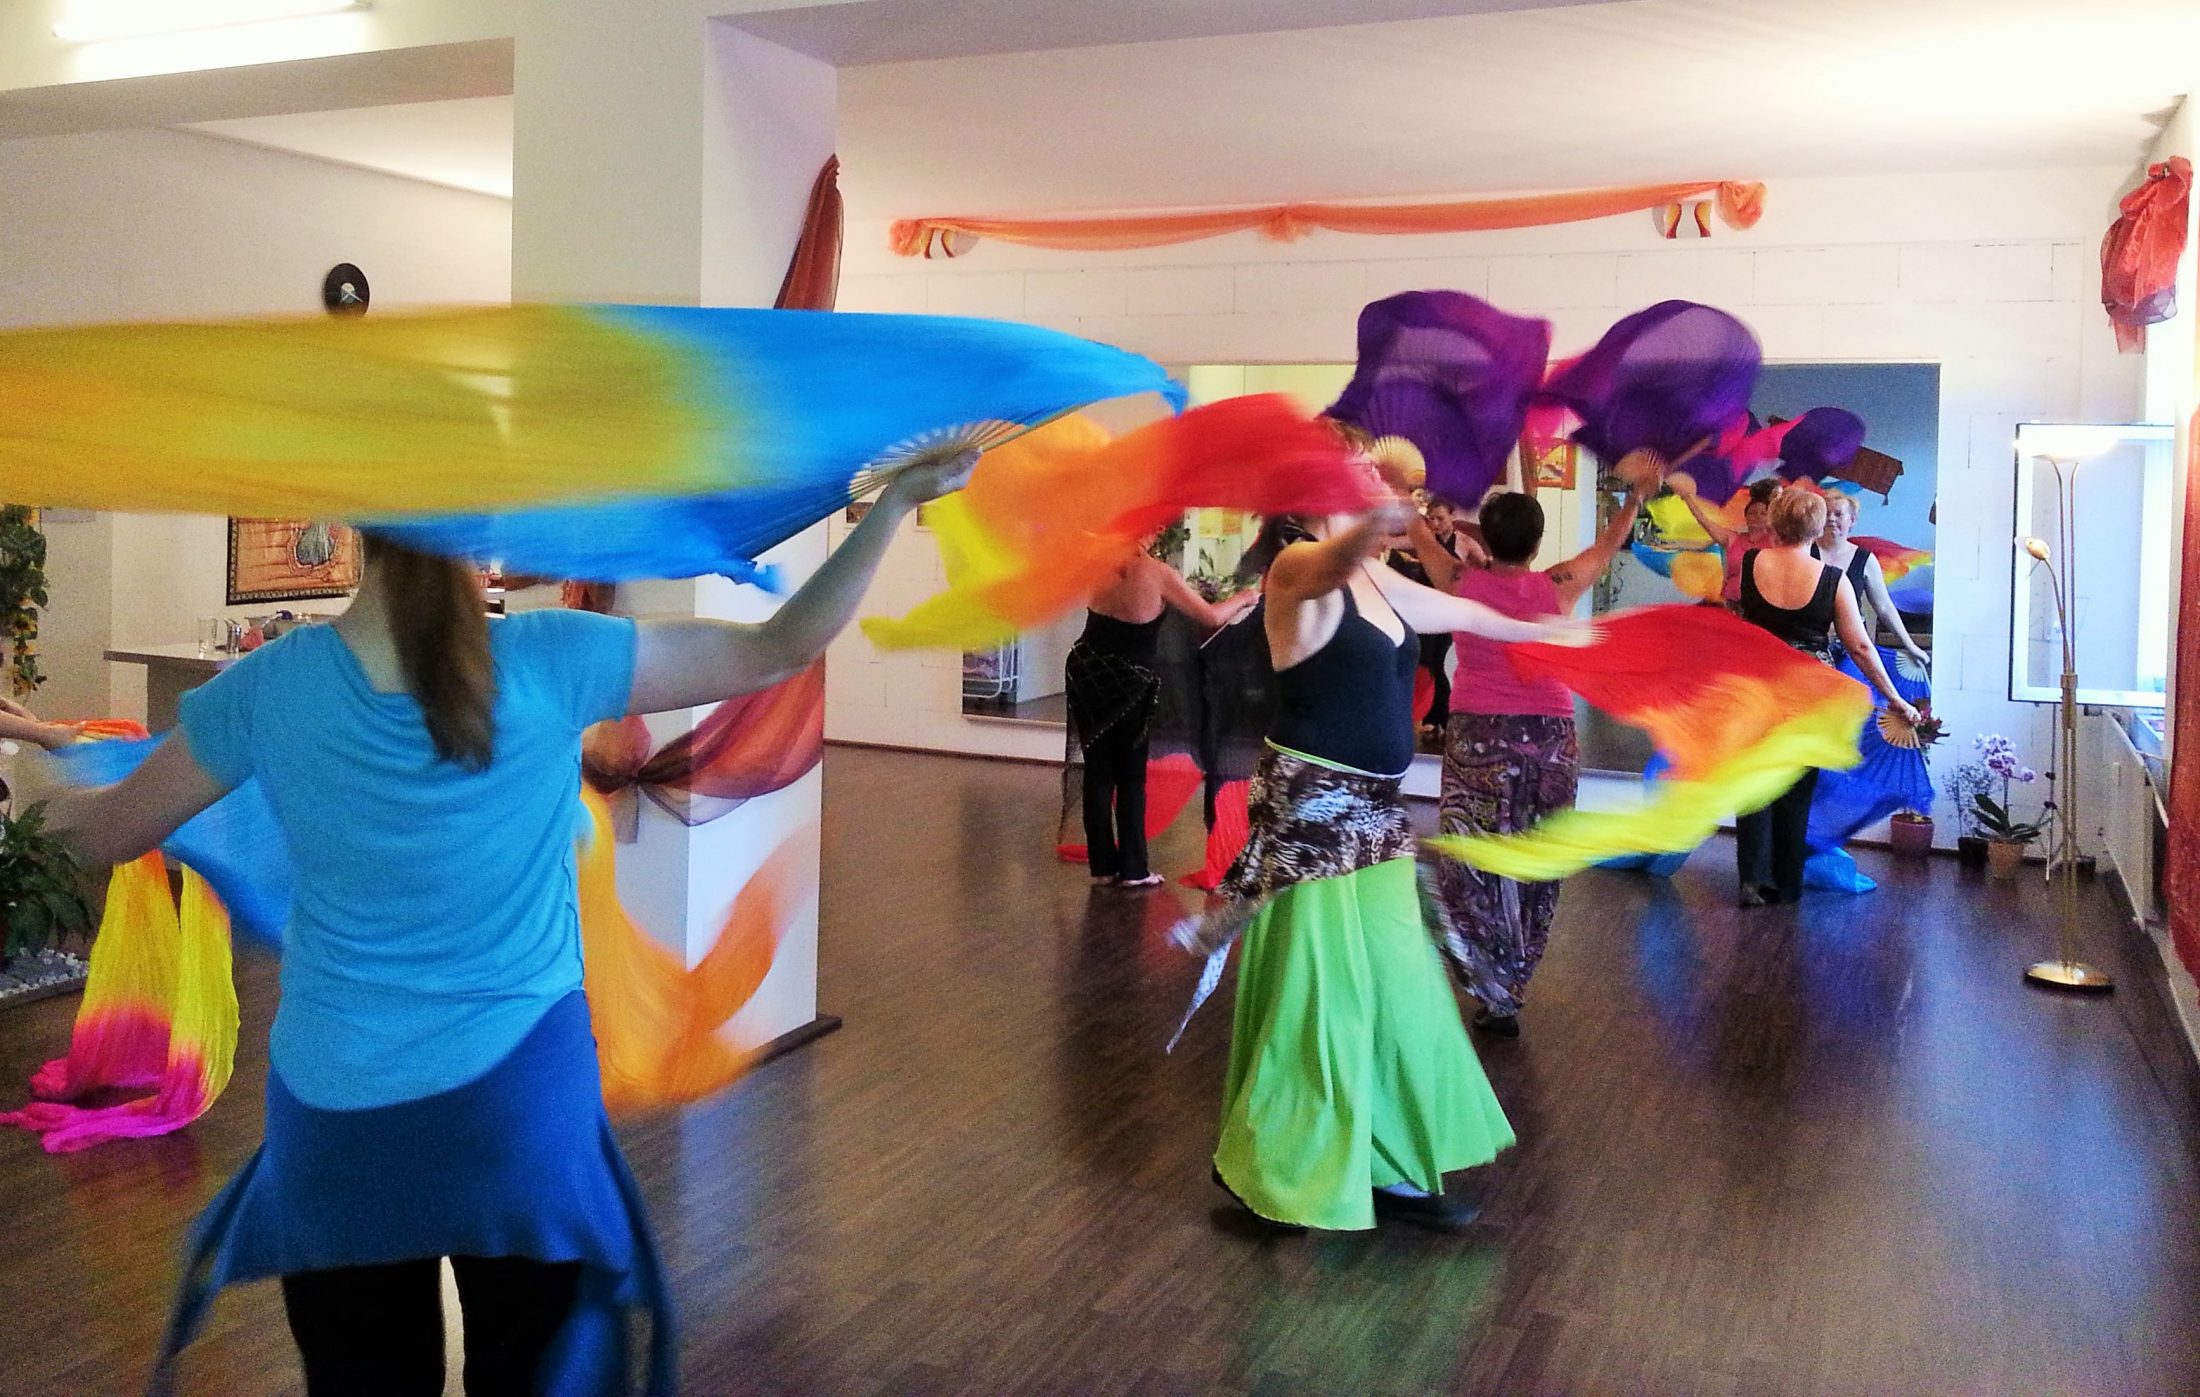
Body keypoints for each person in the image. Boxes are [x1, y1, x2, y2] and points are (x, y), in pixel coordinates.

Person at [31, 449, 978, 1395]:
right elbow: (780, 646)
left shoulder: (267, 687)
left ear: (352, 525)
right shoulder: (553, 656)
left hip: (339, 1114)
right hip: (518, 1109)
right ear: (483, 529)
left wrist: (47, 768)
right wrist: (894, 504)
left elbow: (108, 833)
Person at [1203, 488, 1585, 1235]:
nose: (1383, 489)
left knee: (1404, 981)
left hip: (1378, 812)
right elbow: (1331, 559)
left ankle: (1394, 1163)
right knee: (1321, 994)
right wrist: (1373, 524)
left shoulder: (1378, 577)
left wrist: (1555, 635)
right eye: (1361, 477)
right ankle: (1280, 1175)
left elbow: (1465, 612)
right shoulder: (1298, 565)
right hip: (1310, 811)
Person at [1434, 474, 1651, 1038]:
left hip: (1477, 734)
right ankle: (1515, 979)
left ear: (1487, 538)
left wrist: (1400, 493)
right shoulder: (1559, 584)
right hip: (1549, 737)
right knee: (1536, 854)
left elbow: (1415, 533)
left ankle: (1489, 979)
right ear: (1537, 544)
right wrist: (1635, 496)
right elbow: (1609, 543)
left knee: (1474, 855)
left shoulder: (1459, 581)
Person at [1734, 490, 1921, 908]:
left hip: (1758, 685)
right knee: (1796, 788)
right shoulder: (1833, 580)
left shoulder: (1751, 563)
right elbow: (1860, 647)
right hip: (1808, 693)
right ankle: (1786, 885)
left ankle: (1752, 882)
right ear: (1818, 528)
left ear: (1775, 522)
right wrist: (1894, 697)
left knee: (1753, 781)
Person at [1068, 548, 1254, 889]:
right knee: (1131, 774)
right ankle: (1133, 870)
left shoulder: (1097, 561)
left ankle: (1103, 867)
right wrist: (1245, 597)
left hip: (1085, 668)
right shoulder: (1156, 572)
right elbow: (1211, 617)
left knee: (1097, 770)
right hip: (1129, 677)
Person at [1814, 492, 1930, 673]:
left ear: (1852, 520)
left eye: (1838, 514)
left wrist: (1910, 645)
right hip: (1812, 643)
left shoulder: (1866, 559)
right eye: (1826, 513)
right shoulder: (1805, 553)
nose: (1831, 519)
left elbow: (1884, 607)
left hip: (1851, 645)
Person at [1674, 475, 1781, 606]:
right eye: (1753, 513)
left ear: (1770, 517)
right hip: (1730, 602)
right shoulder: (1732, 538)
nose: (1757, 516)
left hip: (1761, 606)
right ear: (1746, 516)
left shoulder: (1774, 540)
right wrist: (1687, 497)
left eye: (1763, 513)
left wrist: (1776, 499)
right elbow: (1704, 521)